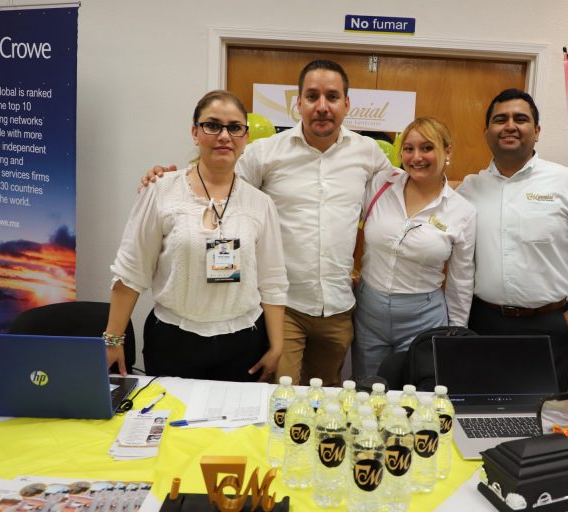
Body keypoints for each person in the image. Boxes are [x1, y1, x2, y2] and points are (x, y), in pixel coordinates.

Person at [142, 60, 397, 386]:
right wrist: (168, 178)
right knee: (281, 396)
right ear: (298, 103)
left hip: (338, 308)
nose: (322, 106)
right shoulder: (266, 153)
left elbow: (405, 190)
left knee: (326, 396)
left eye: (332, 97)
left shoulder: (368, 153)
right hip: (283, 306)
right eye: (312, 96)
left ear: (346, 104)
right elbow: (215, 179)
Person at [105, 90, 288, 382]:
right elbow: (131, 270)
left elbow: (273, 281)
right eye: (212, 125)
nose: (224, 136)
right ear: (195, 132)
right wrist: (113, 339)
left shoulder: (260, 204)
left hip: (243, 344)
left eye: (234, 127)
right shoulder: (161, 190)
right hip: (172, 342)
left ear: (245, 137)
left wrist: (277, 346)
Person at [456, 88, 568, 392]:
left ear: (537, 131)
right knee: (481, 410)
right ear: (487, 132)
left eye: (520, 119)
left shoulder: (567, 183)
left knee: (541, 414)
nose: (510, 126)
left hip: (548, 326)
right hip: (483, 324)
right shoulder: (469, 189)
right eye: (500, 119)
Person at [351, 117, 476, 377]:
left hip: (423, 319)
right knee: (366, 387)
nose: (416, 157)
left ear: (447, 151)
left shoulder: (462, 211)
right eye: (408, 149)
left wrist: (456, 332)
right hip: (369, 314)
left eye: (427, 148)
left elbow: (461, 281)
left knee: (415, 393)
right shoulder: (381, 185)